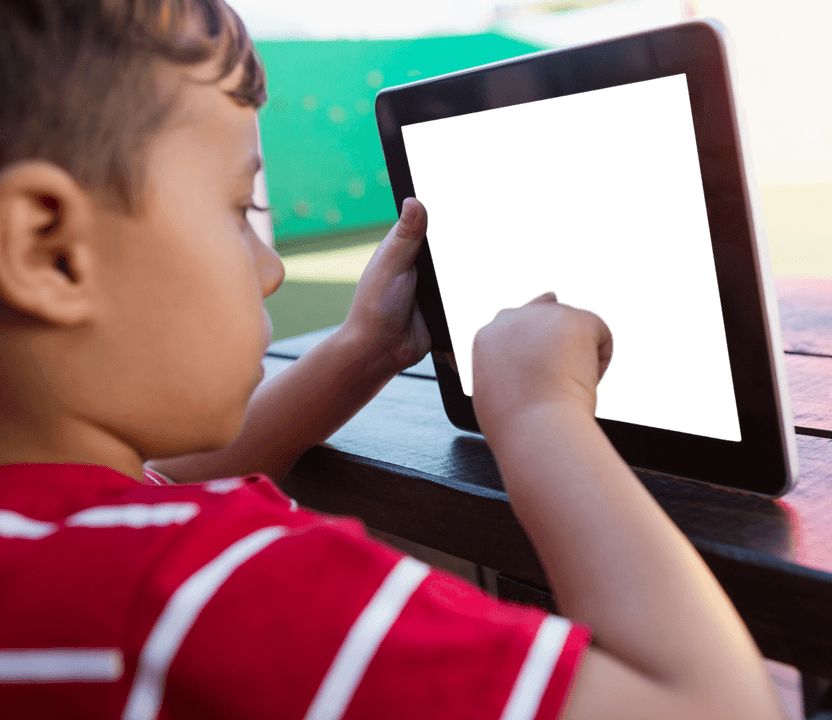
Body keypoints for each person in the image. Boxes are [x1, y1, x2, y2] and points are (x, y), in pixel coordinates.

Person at [0, 1, 787, 718]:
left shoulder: (47, 541)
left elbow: (171, 478)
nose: (270, 269)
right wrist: (537, 413)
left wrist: (363, 349)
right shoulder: (203, 590)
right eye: (241, 209)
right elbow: (716, 709)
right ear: (49, 251)